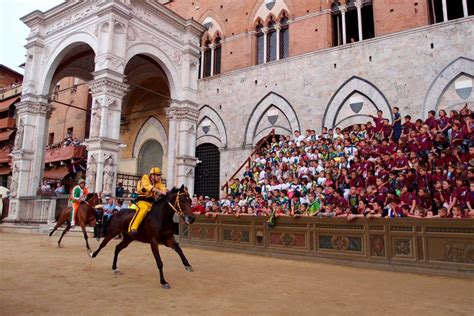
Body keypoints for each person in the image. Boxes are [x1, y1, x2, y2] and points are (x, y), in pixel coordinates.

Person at [128, 167, 167, 236]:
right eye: (157, 175)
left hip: (151, 202)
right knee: (143, 209)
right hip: (142, 201)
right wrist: (160, 191)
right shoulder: (145, 177)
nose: (159, 177)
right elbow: (148, 187)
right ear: (152, 175)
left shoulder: (158, 182)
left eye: (159, 175)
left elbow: (163, 187)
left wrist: (167, 191)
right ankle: (132, 228)